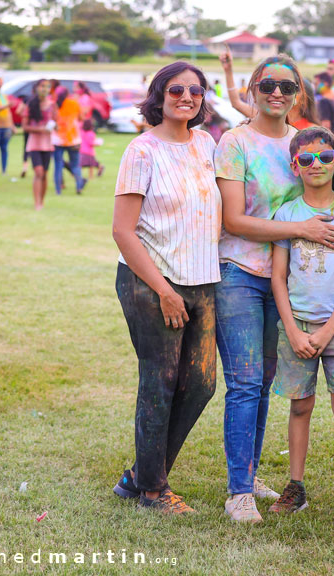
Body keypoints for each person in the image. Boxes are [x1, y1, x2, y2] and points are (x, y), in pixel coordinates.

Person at [214, 53, 334, 523]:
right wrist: (303, 232)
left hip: (293, 286)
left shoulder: (301, 142)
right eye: (268, 84)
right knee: (243, 381)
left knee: (263, 387)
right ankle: (239, 490)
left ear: (298, 93)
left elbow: (329, 183)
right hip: (241, 272)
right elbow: (233, 219)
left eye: (287, 86)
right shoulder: (235, 142)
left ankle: (251, 472)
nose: (277, 92)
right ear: (254, 88)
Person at [110, 61, 221, 514]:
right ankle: (153, 492)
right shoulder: (141, 151)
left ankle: (139, 475)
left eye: (196, 91)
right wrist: (164, 290)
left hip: (202, 279)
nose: (187, 97)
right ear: (160, 94)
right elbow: (123, 230)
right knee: (161, 381)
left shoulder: (207, 143)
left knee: (201, 384)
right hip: (152, 283)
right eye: (177, 89)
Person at [269, 126, 334, 524]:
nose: (317, 165)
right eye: (307, 159)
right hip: (296, 322)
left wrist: (329, 330)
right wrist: (293, 330)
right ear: (295, 166)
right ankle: (295, 487)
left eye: (325, 157)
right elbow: (278, 277)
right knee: (300, 405)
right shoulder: (288, 215)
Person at [23, 79, 55, 211]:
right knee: (38, 172)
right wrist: (40, 129)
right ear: (37, 88)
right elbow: (25, 126)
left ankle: (42, 201)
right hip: (34, 143)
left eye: (47, 86)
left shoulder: (52, 105)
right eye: (42, 86)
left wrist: (54, 126)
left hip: (47, 144)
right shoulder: (30, 104)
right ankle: (37, 203)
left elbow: (57, 121)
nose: (45, 88)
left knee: (45, 174)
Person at [52, 86, 86, 195]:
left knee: (58, 165)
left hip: (58, 140)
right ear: (67, 94)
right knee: (75, 165)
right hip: (73, 139)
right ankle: (79, 186)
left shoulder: (54, 105)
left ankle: (58, 190)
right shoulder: (74, 103)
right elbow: (81, 118)